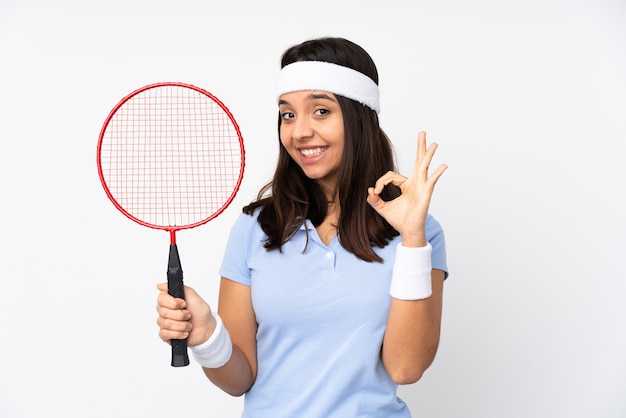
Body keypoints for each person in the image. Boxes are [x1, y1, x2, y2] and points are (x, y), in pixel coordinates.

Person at [156, 37, 449, 417]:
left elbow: (406, 368)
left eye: (321, 111)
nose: (298, 132)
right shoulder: (255, 227)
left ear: (360, 116)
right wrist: (207, 335)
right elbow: (239, 379)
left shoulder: (421, 234)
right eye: (288, 114)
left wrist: (412, 239)